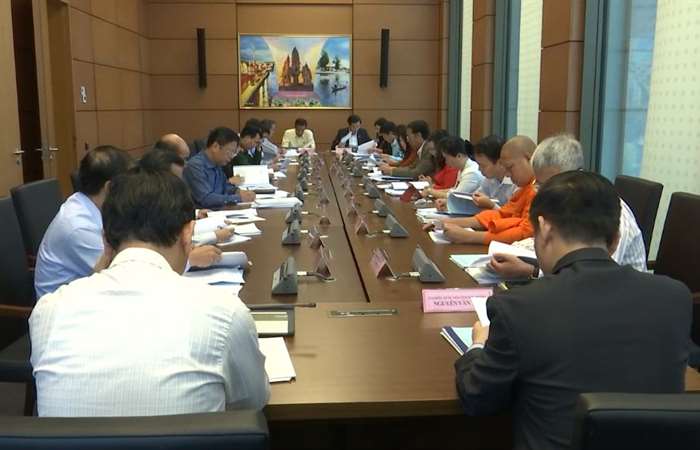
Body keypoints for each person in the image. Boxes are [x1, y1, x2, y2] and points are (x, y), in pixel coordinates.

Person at [455, 171, 691, 450]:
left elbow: (477, 397)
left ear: (544, 229)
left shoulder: (516, 307)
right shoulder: (675, 297)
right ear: (615, 239)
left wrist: (477, 345)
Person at [30, 169, 270, 417]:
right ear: (188, 234)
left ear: (105, 240)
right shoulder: (225, 312)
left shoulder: (48, 311)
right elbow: (254, 400)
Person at [490, 133, 648, 277]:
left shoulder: (609, 211)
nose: (543, 192)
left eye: (550, 184)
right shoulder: (567, 203)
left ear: (575, 175)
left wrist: (532, 271)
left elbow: (598, 273)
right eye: (539, 184)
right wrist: (516, 248)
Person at [34, 146, 132, 299]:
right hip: (62, 308)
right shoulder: (79, 227)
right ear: (109, 187)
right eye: (128, 185)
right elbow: (122, 274)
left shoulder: (91, 204)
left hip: (88, 296)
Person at [427, 136, 537, 244]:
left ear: (530, 159)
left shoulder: (538, 189)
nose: (507, 174)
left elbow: (526, 232)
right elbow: (502, 214)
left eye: (510, 167)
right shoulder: (525, 187)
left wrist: (468, 236)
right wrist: (446, 222)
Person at [139, 148, 233, 253]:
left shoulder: (165, 196)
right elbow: (168, 245)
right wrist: (213, 236)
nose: (179, 184)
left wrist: (197, 213)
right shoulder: (147, 204)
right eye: (175, 179)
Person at [183, 126, 256, 208]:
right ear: (215, 147)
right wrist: (239, 198)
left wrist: (238, 191)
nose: (231, 156)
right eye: (230, 151)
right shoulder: (195, 166)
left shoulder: (216, 163)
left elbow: (224, 186)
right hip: (204, 213)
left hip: (218, 210)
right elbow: (206, 199)